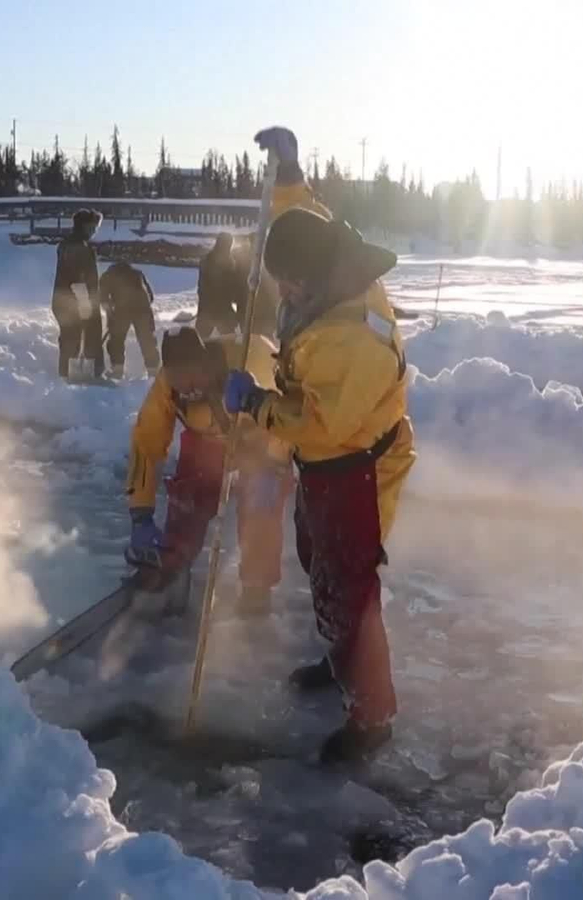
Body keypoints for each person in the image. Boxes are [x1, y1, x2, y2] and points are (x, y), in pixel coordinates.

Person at [222, 125, 416, 764]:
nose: (286, 293)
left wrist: (254, 403)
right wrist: (288, 177)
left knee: (349, 585)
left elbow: (316, 422)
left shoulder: (350, 336)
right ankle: (340, 662)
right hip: (325, 465)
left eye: (290, 284)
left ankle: (372, 717)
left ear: (317, 276)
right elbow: (309, 221)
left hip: (353, 464)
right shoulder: (329, 259)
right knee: (321, 566)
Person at [126, 327, 293, 617]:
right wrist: (141, 513)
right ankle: (172, 572)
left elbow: (286, 415)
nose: (187, 387)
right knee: (187, 500)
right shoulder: (167, 385)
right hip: (204, 441)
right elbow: (146, 443)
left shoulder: (250, 359)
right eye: (178, 380)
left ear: (204, 363)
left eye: (191, 377)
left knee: (259, 515)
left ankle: (256, 592)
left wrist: (275, 464)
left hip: (258, 438)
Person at [52, 209, 104, 379]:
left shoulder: (69, 244)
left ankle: (69, 375)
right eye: (94, 226)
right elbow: (76, 278)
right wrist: (85, 303)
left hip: (64, 301)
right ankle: (80, 376)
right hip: (75, 301)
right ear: (85, 226)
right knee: (84, 337)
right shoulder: (77, 247)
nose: (95, 230)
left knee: (71, 337)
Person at [100, 261, 160, 378]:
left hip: (122, 310)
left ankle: (117, 371)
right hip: (143, 308)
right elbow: (150, 296)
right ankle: (153, 371)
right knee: (147, 340)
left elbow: (102, 298)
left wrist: (110, 314)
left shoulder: (107, 276)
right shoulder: (137, 273)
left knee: (116, 340)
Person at [196, 233, 246, 337]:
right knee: (225, 338)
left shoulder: (209, 259)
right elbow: (208, 286)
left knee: (204, 338)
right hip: (215, 308)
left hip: (213, 307)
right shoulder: (227, 262)